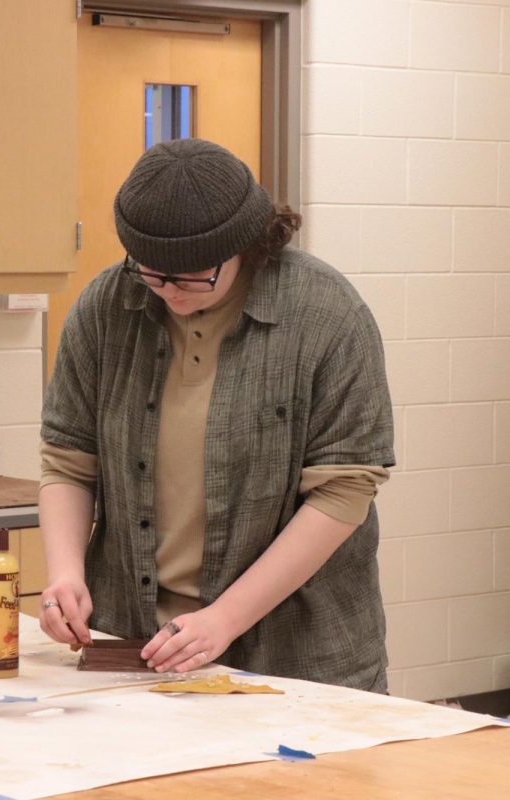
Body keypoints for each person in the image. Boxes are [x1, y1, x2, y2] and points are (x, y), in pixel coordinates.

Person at [38, 138, 394, 692]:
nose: (170, 292)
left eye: (191, 277)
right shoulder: (108, 307)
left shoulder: (327, 316)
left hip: (299, 655)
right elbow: (68, 463)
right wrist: (65, 574)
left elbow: (343, 492)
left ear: (244, 246)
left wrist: (223, 620)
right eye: (153, 275)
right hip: (137, 644)